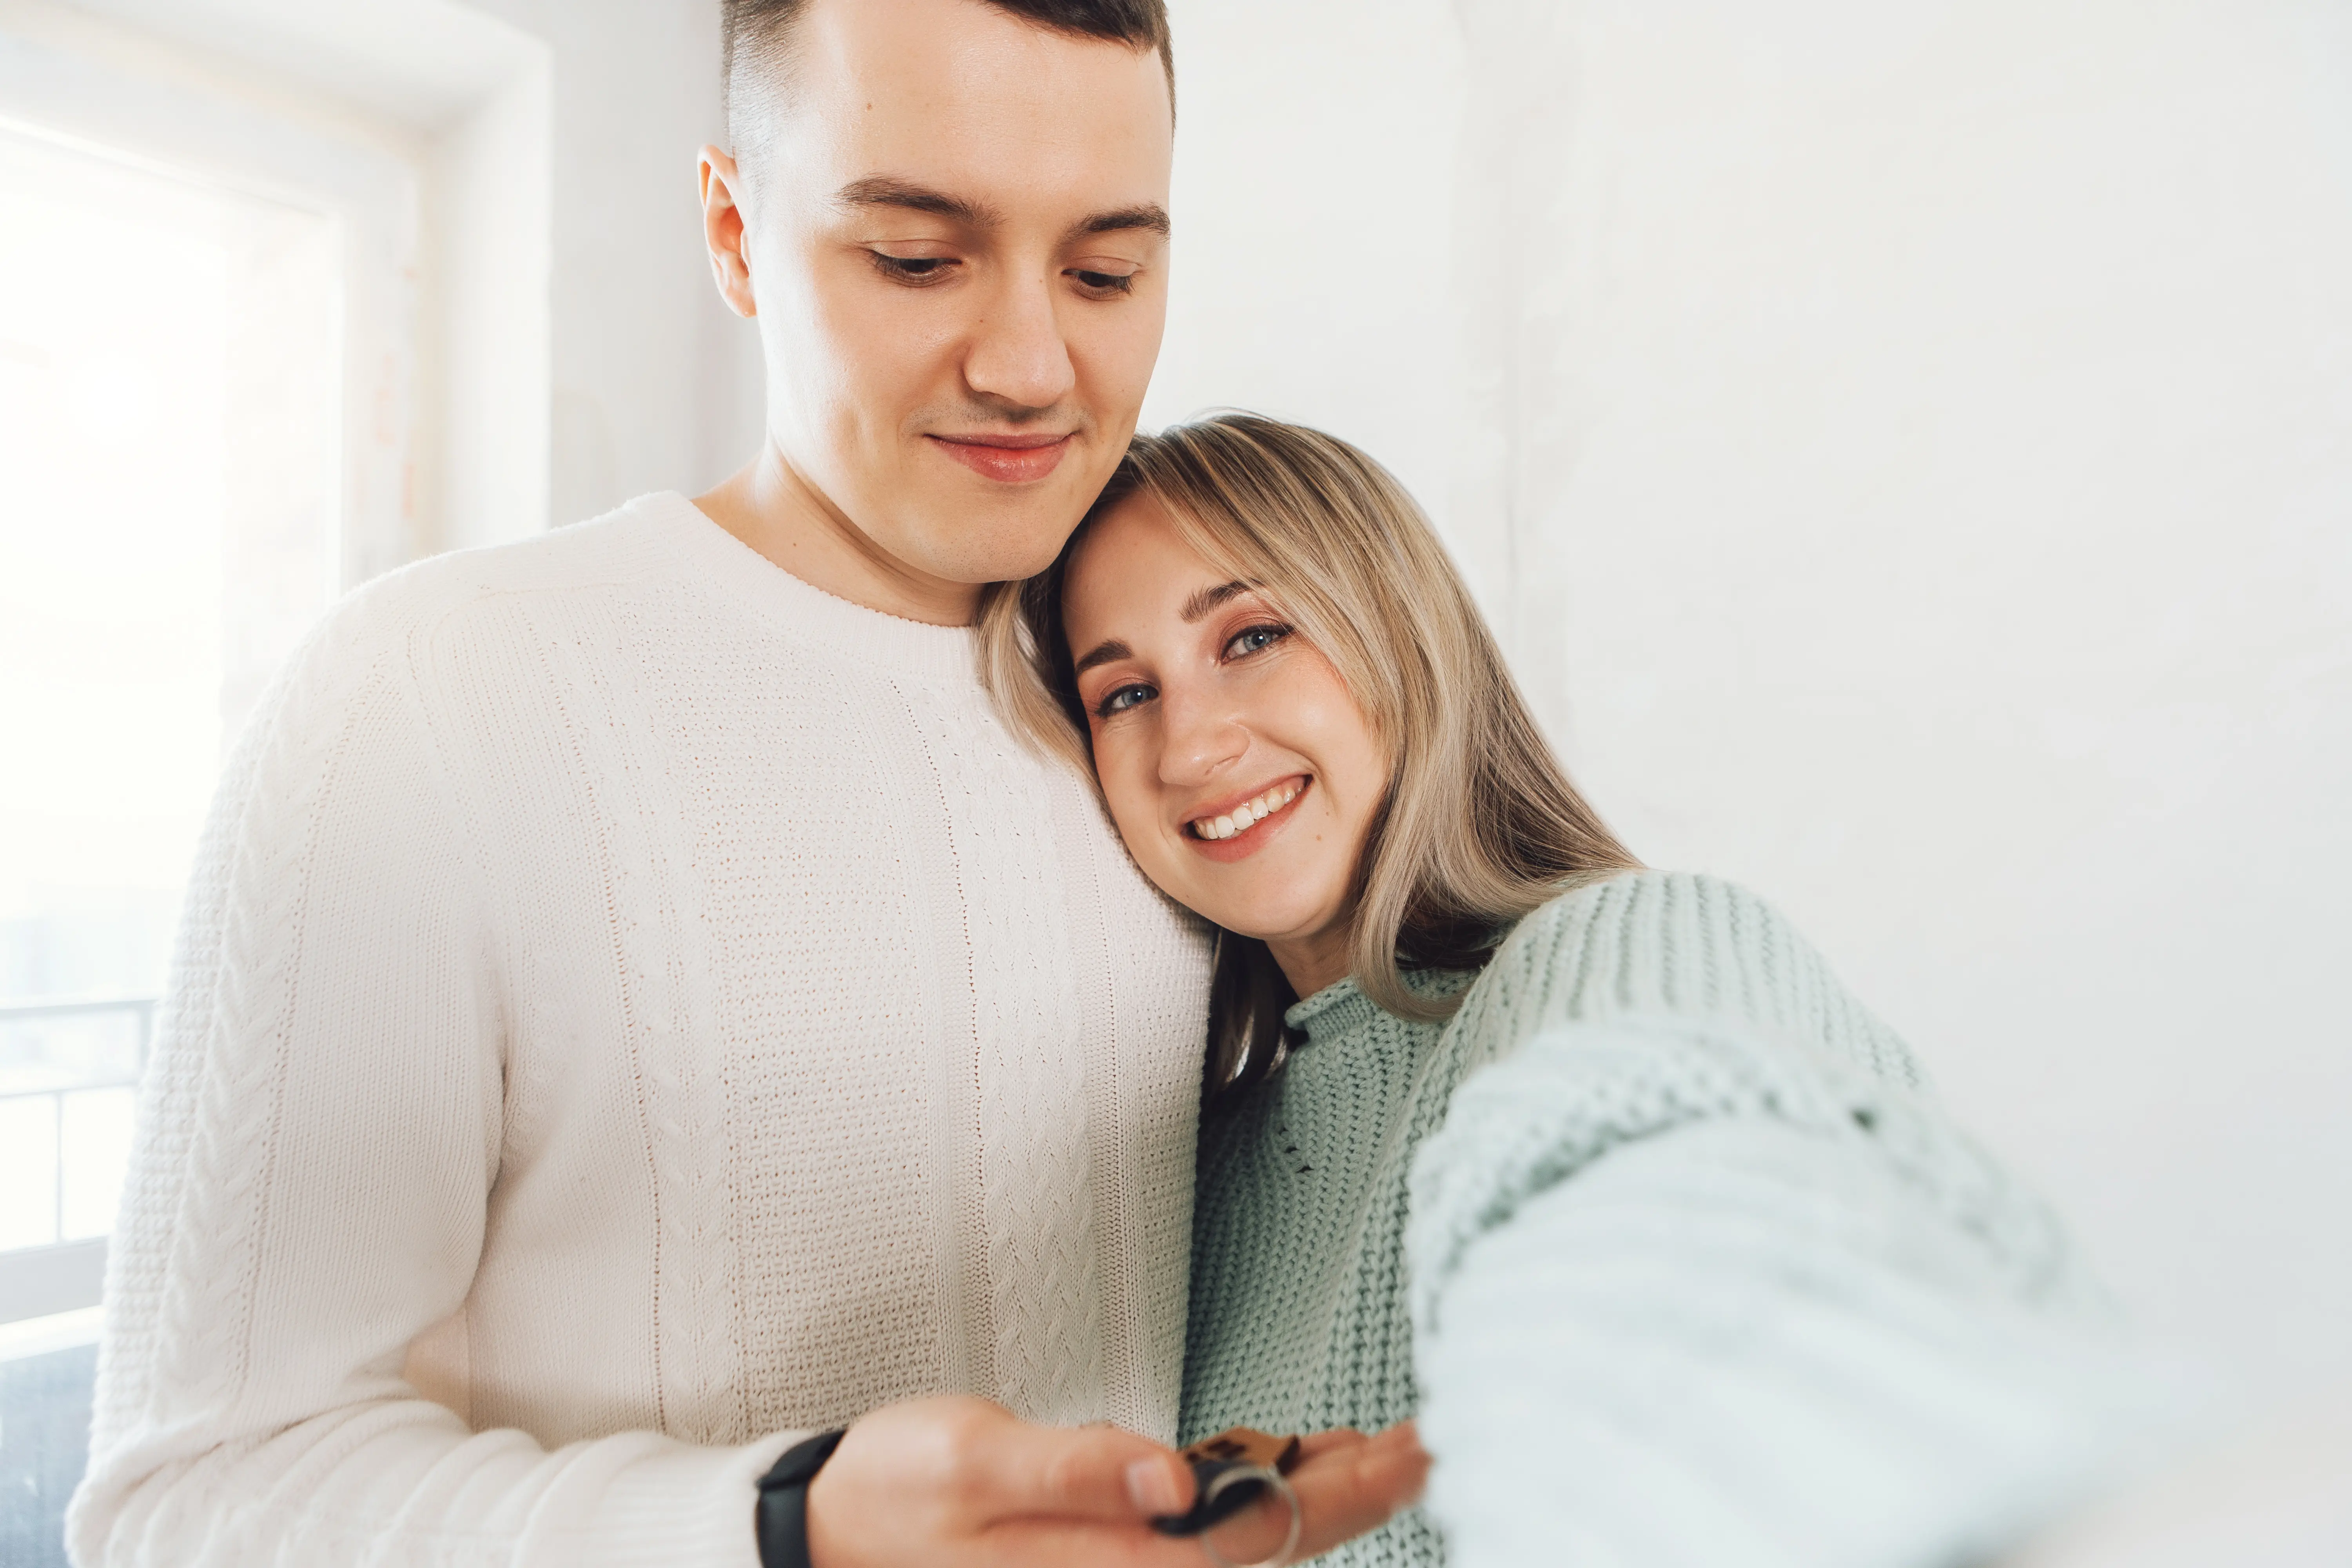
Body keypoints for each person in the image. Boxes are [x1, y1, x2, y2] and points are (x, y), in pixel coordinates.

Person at [67, 6, 1422, 1566]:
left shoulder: (1160, 725)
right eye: (919, 259)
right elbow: (186, 1506)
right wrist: (780, 1528)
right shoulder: (427, 696)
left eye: (1107, 272)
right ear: (733, 232)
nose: (1032, 366)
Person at [984, 412, 2170, 1567]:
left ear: (1399, 636)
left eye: (1251, 638)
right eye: (1123, 695)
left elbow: (1687, 1252)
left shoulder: (1636, 949)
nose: (1191, 747)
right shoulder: (1183, 1191)